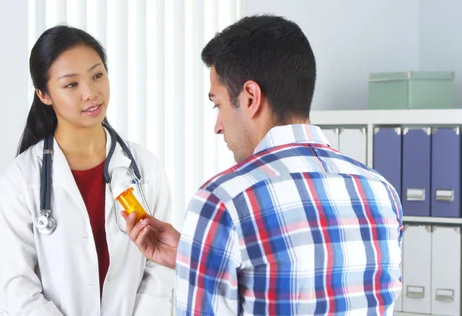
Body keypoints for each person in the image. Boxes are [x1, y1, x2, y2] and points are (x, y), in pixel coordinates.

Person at [123, 14, 404, 315]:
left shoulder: (222, 202)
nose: (217, 126)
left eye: (217, 104)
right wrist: (195, 256)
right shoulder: (381, 192)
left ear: (251, 98)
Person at [0, 25, 174, 316]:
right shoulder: (21, 179)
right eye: (71, 84)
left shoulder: (144, 167)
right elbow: (16, 287)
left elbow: (159, 269)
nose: (90, 93)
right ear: (44, 95)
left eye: (97, 75)